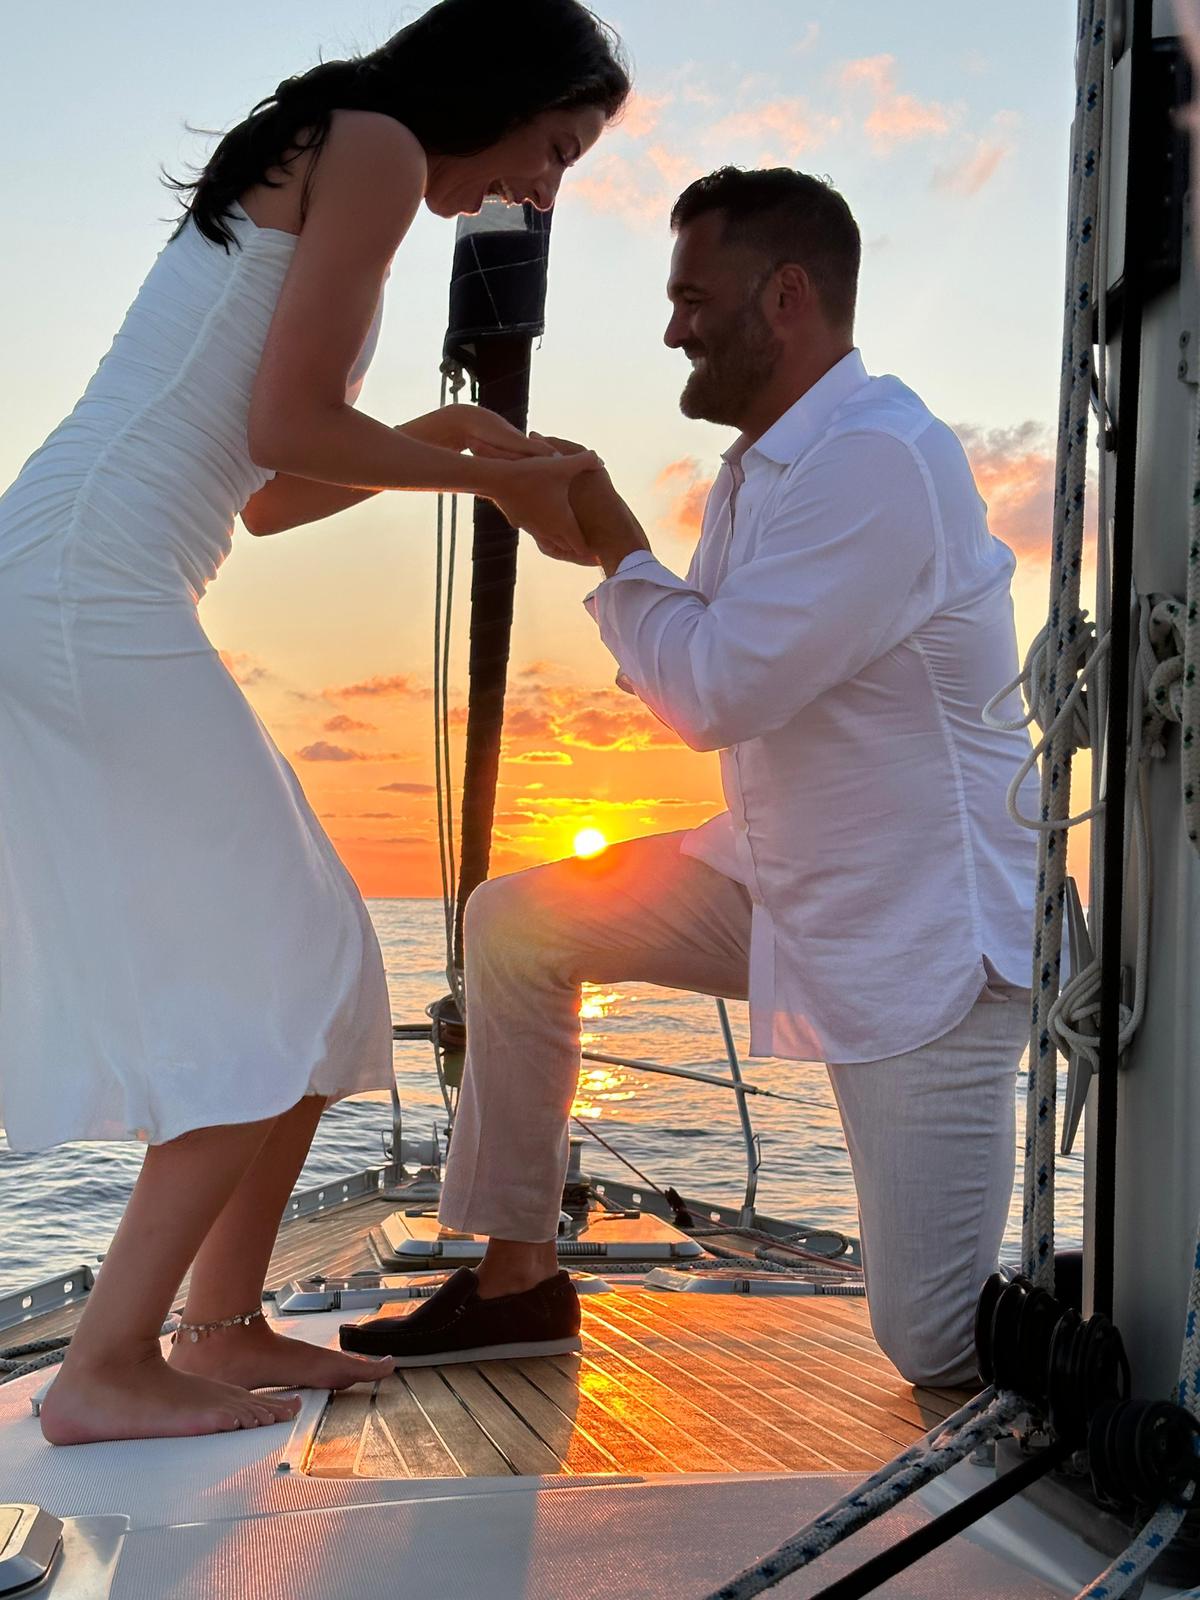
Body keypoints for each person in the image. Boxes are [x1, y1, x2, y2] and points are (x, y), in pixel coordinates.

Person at [0, 0, 630, 1446]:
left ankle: (218, 1328)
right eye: (557, 145)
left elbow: (271, 494)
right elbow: (289, 431)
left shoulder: (346, 147)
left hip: (77, 577)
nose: (547, 187)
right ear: (509, 90)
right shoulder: (378, 147)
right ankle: (106, 1366)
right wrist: (494, 479)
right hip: (85, 582)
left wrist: (453, 437)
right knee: (279, 969)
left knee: (331, 965)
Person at [342, 167, 1039, 1389]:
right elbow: (702, 655)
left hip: (917, 928)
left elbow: (713, 690)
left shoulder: (878, 460)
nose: (671, 329)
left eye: (692, 299)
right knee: (515, 924)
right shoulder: (763, 471)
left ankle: (1109, 1328)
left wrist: (616, 547)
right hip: (778, 875)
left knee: (931, 1339)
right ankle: (517, 1283)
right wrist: (605, 550)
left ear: (786, 297)